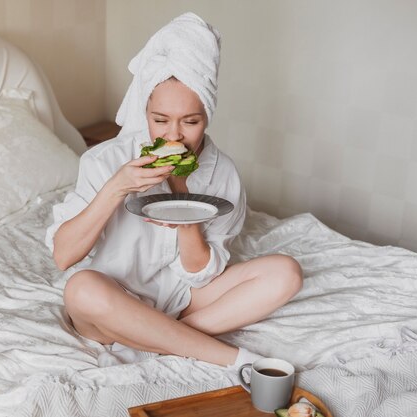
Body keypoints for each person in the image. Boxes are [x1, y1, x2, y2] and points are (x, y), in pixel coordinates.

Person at [45, 12, 302, 367]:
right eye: (160, 120)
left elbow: (203, 273)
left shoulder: (222, 172)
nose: (173, 136)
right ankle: (233, 358)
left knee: (285, 273)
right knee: (80, 289)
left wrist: (187, 213)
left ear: (207, 116)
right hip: (112, 298)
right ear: (145, 113)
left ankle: (159, 336)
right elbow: (63, 256)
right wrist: (116, 188)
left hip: (182, 298)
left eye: (191, 121)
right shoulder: (105, 160)